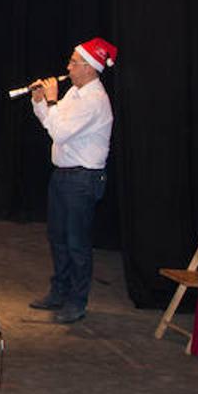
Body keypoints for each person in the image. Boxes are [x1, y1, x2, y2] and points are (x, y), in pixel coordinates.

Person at [27, 37, 117, 324]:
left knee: (77, 241)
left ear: (90, 68)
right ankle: (59, 292)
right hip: (64, 175)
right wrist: (40, 102)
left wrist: (51, 100)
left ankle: (77, 301)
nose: (68, 67)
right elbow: (52, 123)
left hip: (83, 178)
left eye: (73, 63)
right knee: (57, 237)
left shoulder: (94, 99)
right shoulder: (75, 94)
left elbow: (61, 133)